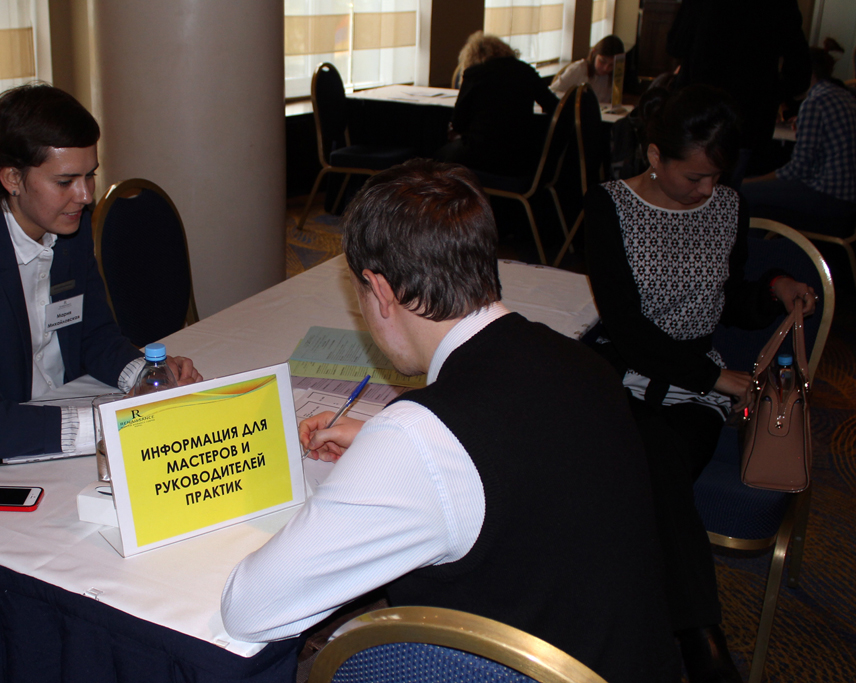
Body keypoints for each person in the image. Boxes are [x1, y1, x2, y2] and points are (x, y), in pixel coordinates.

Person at [222, 159, 679, 682]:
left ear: (380, 291)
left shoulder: (420, 438)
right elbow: (525, 454)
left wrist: (391, 451)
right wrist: (380, 444)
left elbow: (250, 609)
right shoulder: (581, 361)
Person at [584, 85, 816, 683]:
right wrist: (716, 377)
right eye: (695, 176)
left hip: (694, 385)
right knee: (650, 463)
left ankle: (669, 636)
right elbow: (626, 328)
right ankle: (700, 640)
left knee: (652, 464)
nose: (708, 190)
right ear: (655, 156)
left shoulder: (728, 207)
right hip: (624, 369)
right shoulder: (610, 206)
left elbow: (727, 300)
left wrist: (774, 287)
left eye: (717, 176)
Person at [0, 83, 202, 466]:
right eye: (65, 181)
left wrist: (149, 377)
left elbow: (94, 335)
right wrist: (116, 424)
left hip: (49, 419)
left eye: (90, 176)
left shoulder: (68, 224)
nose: (85, 196)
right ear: (12, 179)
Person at [667, 0, 810, 181]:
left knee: (686, 186)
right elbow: (799, 73)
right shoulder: (780, 4)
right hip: (750, 119)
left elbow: (675, 45)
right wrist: (770, 94)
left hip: (699, 112)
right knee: (732, 190)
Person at [742, 47, 856, 232]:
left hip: (827, 197)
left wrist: (749, 182)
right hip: (847, 199)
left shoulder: (815, 102)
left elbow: (798, 169)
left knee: (743, 193)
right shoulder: (844, 94)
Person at [436, 31, 558, 176]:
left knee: (439, 155)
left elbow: (459, 123)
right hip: (520, 154)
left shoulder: (474, 74)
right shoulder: (526, 70)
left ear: (471, 56)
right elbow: (553, 105)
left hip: (481, 153)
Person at [549, 35, 624, 104]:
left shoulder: (612, 76)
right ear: (594, 53)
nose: (606, 68)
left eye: (611, 65)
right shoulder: (579, 69)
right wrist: (576, 99)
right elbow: (553, 91)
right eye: (602, 61)